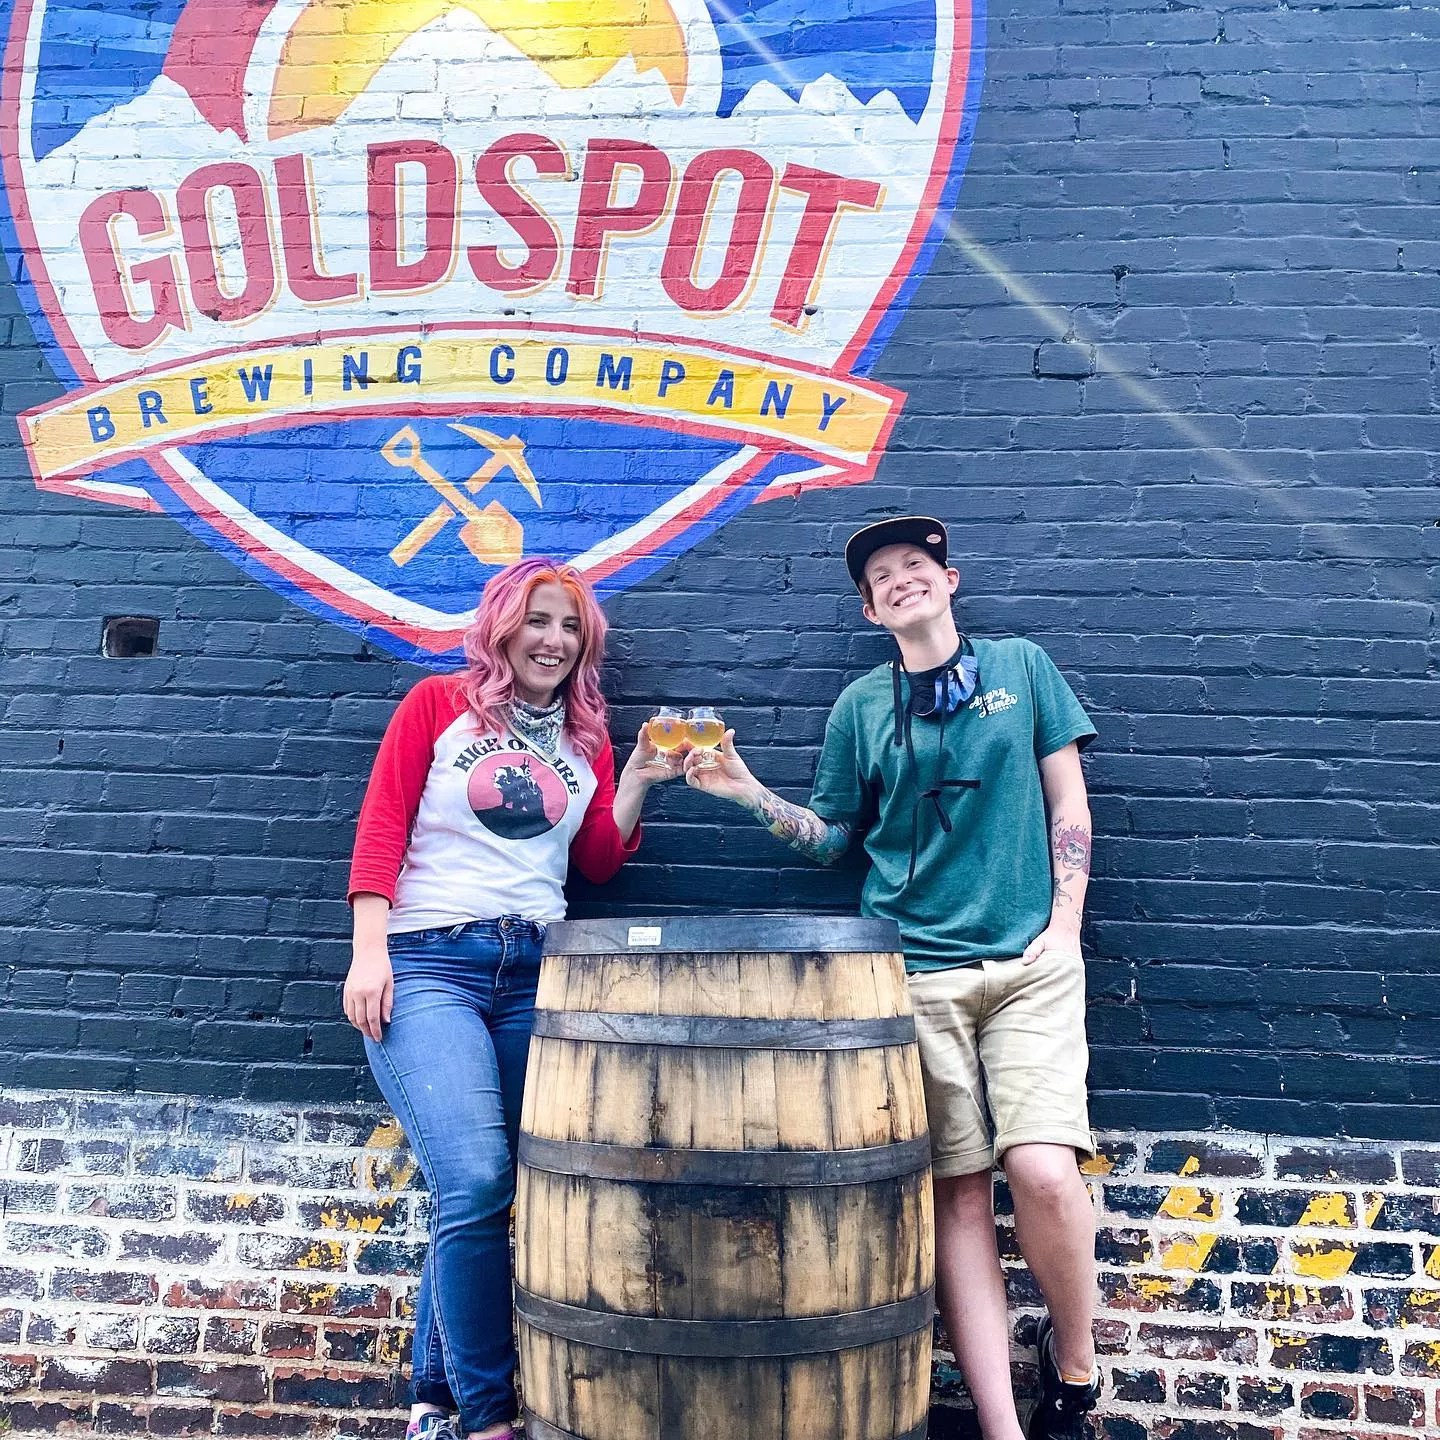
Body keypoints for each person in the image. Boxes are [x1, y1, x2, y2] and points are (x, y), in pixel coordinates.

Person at [684, 517, 1100, 1440]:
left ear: (950, 580)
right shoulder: (861, 707)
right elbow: (834, 840)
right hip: (912, 978)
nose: (902, 578)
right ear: (870, 610)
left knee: (1041, 1170)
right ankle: (1003, 1428)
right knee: (958, 1192)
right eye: (882, 576)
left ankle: (1073, 1368)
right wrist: (748, 791)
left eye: (917, 564)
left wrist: (1065, 926)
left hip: (1030, 967)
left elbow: (1067, 798)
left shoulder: (1023, 668)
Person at [343, 557, 679, 1440]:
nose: (553, 641)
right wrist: (369, 953)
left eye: (570, 628)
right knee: (477, 1177)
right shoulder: (437, 706)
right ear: (502, 626)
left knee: (484, 1193)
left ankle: (432, 1398)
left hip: (536, 973)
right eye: (538, 620)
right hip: (429, 962)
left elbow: (595, 863)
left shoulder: (586, 737)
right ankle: (490, 1419)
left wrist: (635, 779)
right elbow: (382, 823)